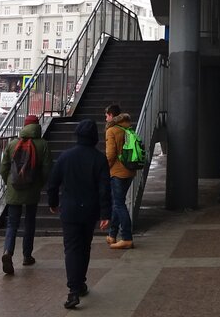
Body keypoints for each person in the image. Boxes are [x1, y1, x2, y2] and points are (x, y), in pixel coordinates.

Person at [48, 119, 111, 309]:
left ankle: (73, 290)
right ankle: (80, 283)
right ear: (94, 137)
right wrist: (105, 213)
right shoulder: (99, 159)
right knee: (85, 246)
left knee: (72, 248)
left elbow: (53, 183)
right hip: (89, 211)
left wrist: (53, 203)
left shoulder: (65, 157)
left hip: (69, 210)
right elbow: (104, 189)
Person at [0, 114, 52, 274]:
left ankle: (8, 252)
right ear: (37, 126)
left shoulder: (13, 143)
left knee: (12, 223)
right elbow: (47, 170)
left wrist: (9, 183)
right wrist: (39, 184)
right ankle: (27, 256)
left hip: (14, 188)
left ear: (25, 126)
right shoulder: (43, 144)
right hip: (32, 188)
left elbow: (3, 168)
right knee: (29, 222)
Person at [104, 103, 137, 250]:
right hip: (129, 171)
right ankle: (112, 234)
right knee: (118, 203)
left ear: (111, 115)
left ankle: (127, 238)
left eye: (106, 115)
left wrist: (105, 168)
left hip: (117, 172)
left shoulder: (111, 130)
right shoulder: (127, 127)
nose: (105, 118)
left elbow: (110, 154)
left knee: (119, 204)